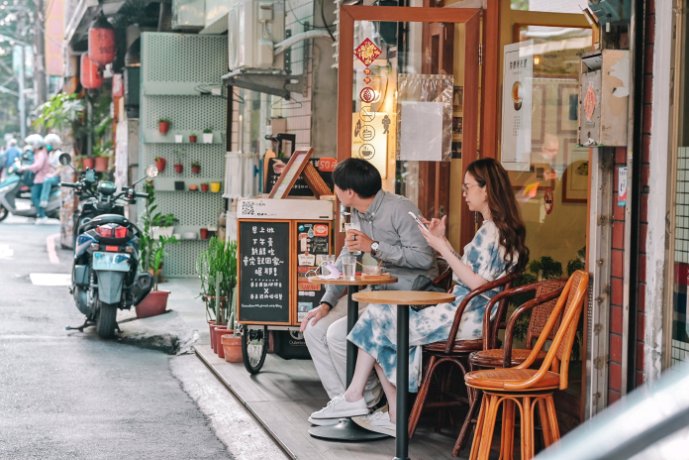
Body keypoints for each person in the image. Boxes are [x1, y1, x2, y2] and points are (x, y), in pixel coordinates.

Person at [309, 158, 529, 436]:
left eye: (468, 187)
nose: (464, 193)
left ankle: (365, 402)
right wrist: (442, 241)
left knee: (380, 323)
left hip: (466, 318)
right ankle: (382, 410)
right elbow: (473, 275)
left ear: (486, 191)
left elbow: (476, 284)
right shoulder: (492, 229)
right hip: (460, 311)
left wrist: (441, 247)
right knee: (379, 323)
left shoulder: (493, 231)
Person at [300, 158, 437, 425]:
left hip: (406, 297)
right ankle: (346, 404)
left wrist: (373, 247)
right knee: (314, 327)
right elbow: (346, 257)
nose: (335, 191)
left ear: (349, 192)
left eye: (337, 187)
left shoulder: (400, 209)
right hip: (376, 295)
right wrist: (327, 302)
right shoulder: (358, 214)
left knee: (338, 335)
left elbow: (425, 259)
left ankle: (370, 403)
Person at [18, 134, 53, 224]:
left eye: (32, 144)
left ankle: (42, 215)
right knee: (35, 198)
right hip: (39, 177)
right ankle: (37, 214)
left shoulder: (41, 154)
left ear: (36, 144)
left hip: (40, 178)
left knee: (35, 198)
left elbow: (38, 166)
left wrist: (26, 168)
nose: (31, 146)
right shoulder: (40, 152)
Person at [39, 134, 63, 209]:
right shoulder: (50, 154)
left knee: (47, 181)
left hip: (57, 177)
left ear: (53, 144)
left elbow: (60, 168)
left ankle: (44, 200)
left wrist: (52, 175)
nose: (47, 146)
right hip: (51, 174)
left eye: (48, 145)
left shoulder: (58, 154)